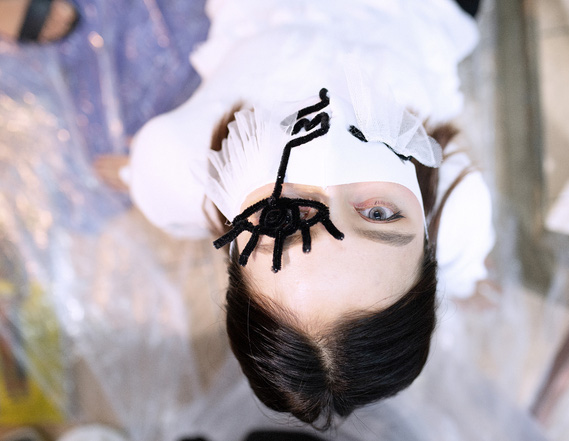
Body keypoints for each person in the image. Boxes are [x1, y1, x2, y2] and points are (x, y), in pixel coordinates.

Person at [121, 0, 493, 430]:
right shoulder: (458, 205)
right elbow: (460, 266)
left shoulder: (175, 166)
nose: (330, 165)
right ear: (430, 239)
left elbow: (155, 175)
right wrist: (465, 278)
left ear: (233, 247)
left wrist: (141, 173)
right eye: (378, 213)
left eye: (281, 220)